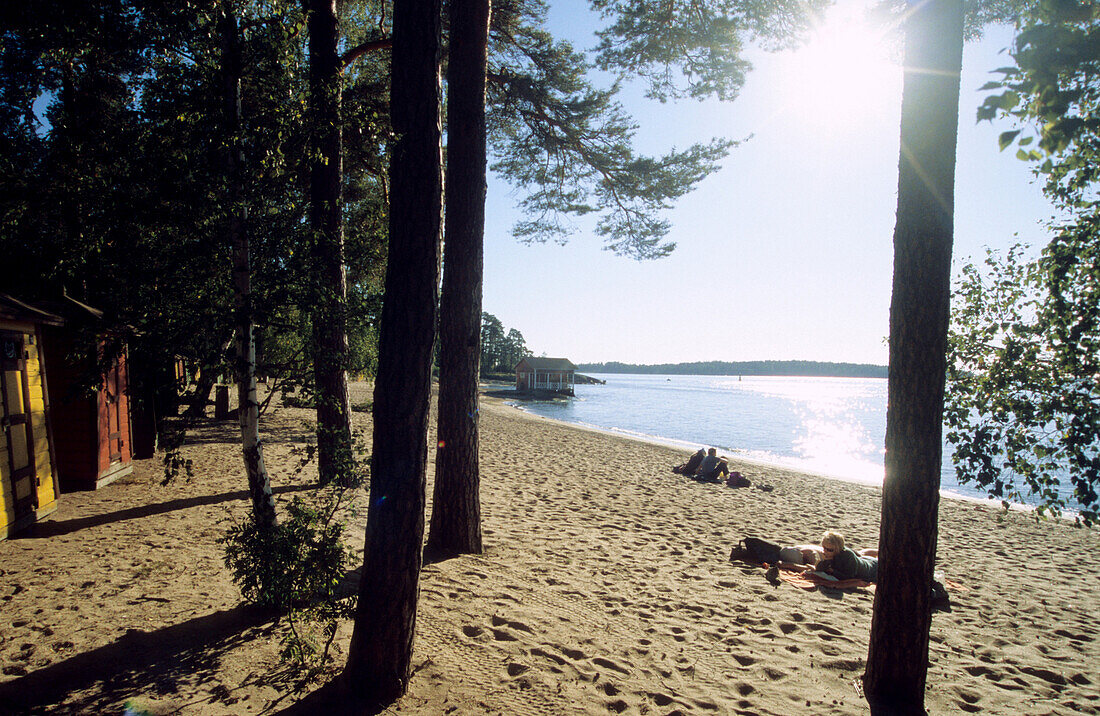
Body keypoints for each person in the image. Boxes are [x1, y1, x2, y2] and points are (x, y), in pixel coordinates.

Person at [809, 531, 878, 582]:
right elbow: (818, 568)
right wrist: (825, 560)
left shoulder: (847, 556)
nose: (825, 551)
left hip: (872, 569)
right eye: (824, 548)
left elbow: (849, 577)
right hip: (863, 560)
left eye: (829, 550)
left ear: (837, 549)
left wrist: (833, 571)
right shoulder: (829, 554)